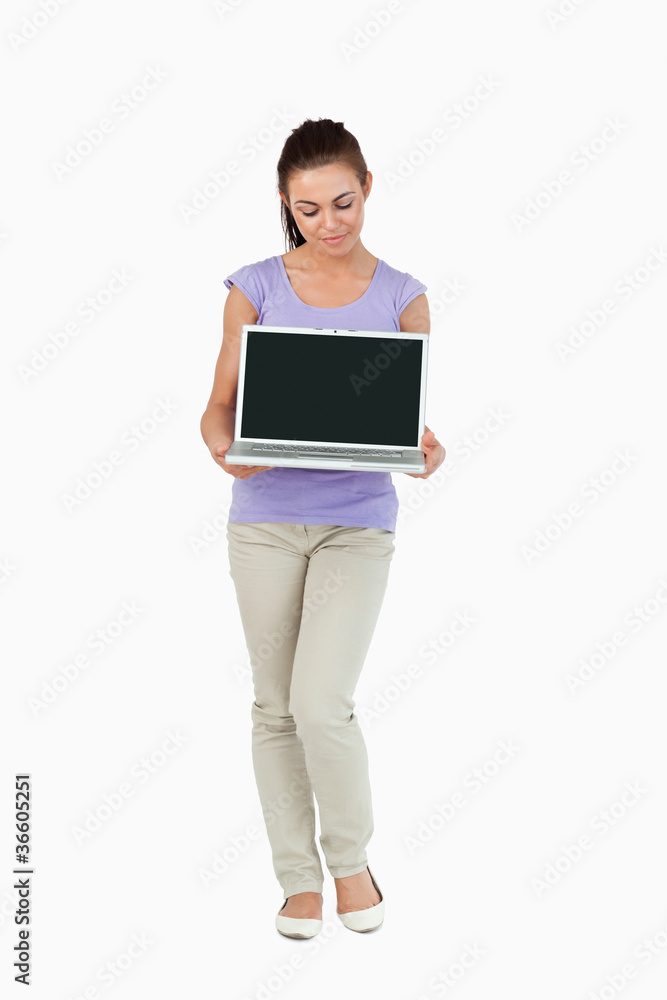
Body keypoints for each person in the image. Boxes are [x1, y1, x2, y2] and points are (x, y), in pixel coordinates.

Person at [200, 118, 445, 938]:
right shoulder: (255, 286)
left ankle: (350, 864)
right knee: (274, 705)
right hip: (264, 522)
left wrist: (422, 448)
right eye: (307, 211)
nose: (328, 224)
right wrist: (219, 448)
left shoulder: (402, 295)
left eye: (342, 203)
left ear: (367, 187)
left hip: (355, 525)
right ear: (285, 205)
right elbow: (217, 409)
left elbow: (403, 417)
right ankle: (296, 881)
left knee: (320, 701)